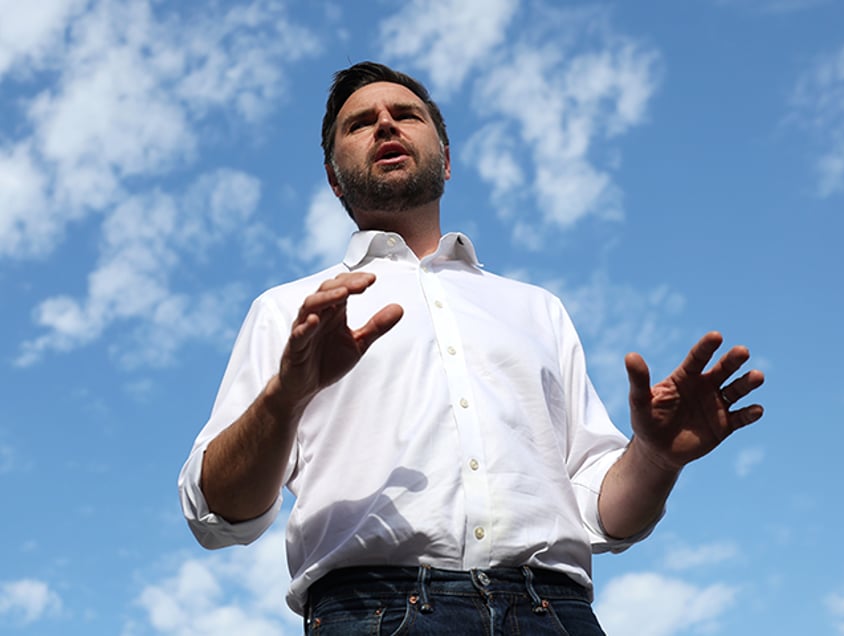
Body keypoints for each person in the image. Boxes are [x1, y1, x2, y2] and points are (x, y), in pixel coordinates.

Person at [178, 61, 764, 635]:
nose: (385, 125)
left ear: (447, 160)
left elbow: (602, 515)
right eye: (359, 124)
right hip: (373, 612)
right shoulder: (291, 310)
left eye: (406, 114)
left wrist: (658, 460)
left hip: (555, 613)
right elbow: (219, 514)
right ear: (335, 178)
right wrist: (286, 396)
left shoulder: (537, 309)